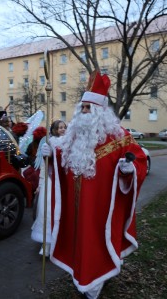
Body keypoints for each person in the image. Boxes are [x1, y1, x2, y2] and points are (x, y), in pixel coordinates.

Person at [41, 71, 147, 298]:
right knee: (79, 243)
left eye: (89, 108)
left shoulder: (119, 137)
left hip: (103, 209)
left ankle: (98, 279)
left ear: (100, 111)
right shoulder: (71, 138)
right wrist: (48, 154)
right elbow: (59, 166)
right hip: (77, 210)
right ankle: (82, 276)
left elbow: (139, 160)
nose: (84, 112)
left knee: (99, 243)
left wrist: (128, 171)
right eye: (82, 108)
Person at [31, 120, 67, 257]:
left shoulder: (69, 143)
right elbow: (44, 167)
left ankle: (61, 241)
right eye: (60, 128)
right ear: (54, 130)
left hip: (64, 184)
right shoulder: (49, 143)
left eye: (64, 127)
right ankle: (46, 243)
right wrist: (40, 185)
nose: (62, 130)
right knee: (46, 213)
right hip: (51, 183)